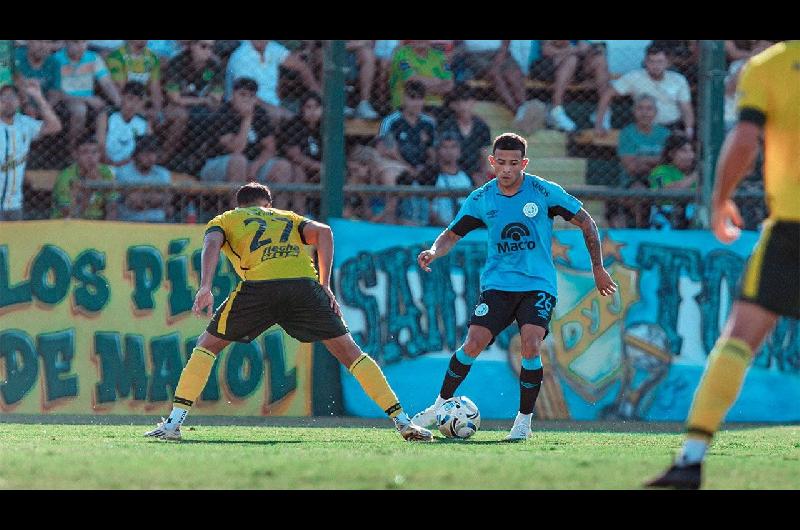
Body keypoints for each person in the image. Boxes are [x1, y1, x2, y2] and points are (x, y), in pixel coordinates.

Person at [144, 182, 433, 442]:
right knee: (351, 353)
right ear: (267, 204)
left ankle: (173, 424)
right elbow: (324, 233)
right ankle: (403, 422)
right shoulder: (287, 217)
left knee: (206, 347)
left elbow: (211, 243)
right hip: (303, 287)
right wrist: (324, 285)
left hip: (259, 287)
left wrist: (205, 285)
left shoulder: (227, 219)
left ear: (238, 205)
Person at [645, 41, 800, 490]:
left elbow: (746, 139)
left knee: (739, 339)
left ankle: (691, 460)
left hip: (793, 226)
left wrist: (719, 199)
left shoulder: (768, 67)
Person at [411, 133, 618, 440]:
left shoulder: (544, 192)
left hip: (538, 285)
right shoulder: (482, 198)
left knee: (531, 344)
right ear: (492, 162)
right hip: (498, 284)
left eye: (513, 164)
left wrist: (598, 268)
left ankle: (523, 422)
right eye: (501, 163)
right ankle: (438, 406)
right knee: (473, 343)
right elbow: (452, 234)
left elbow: (587, 221)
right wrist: (434, 250)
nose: (506, 170)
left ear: (524, 163)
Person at [594, 44, 694, 138]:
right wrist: (599, 124)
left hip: (672, 126)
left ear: (667, 63)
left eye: (660, 62)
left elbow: (686, 108)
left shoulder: (678, 80)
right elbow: (607, 95)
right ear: (645, 62)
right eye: (651, 61)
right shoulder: (634, 77)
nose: (655, 66)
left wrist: (689, 129)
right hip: (644, 127)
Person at [0, 82, 61, 221]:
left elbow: (55, 126)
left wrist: (39, 98)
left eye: (12, 97)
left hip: (15, 204)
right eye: (3, 98)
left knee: (14, 242)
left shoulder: (24, 123)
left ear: (20, 102)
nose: (8, 102)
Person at [51, 40, 121, 154]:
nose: (80, 46)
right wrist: (86, 99)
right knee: (80, 109)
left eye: (83, 42)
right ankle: (73, 151)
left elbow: (107, 83)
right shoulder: (56, 60)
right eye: (75, 42)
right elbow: (56, 93)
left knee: (103, 111)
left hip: (87, 100)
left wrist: (120, 102)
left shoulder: (93, 58)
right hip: (64, 99)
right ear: (66, 43)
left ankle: (99, 152)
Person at [225, 40, 321, 122]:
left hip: (274, 107)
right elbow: (246, 97)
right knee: (293, 122)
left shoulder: (272, 47)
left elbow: (302, 67)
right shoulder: (241, 56)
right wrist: (279, 112)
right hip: (249, 110)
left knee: (311, 114)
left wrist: (319, 96)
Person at [530, 40, 611, 132]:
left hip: (571, 67)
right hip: (543, 66)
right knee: (571, 59)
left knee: (600, 59)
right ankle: (556, 111)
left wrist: (589, 50)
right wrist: (573, 50)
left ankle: (603, 112)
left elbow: (585, 47)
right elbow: (546, 50)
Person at [617, 94, 671, 227]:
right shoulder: (627, 133)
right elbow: (631, 167)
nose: (645, 113)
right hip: (634, 180)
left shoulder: (665, 134)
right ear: (634, 111)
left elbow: (670, 162)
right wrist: (657, 161)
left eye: (649, 109)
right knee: (638, 191)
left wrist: (641, 160)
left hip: (661, 178)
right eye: (640, 108)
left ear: (655, 112)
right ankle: (641, 229)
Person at [51, 134, 118, 220]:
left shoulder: (105, 171)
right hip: (67, 224)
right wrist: (89, 189)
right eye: (85, 152)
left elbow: (112, 206)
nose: (90, 157)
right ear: (75, 155)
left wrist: (109, 230)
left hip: (97, 223)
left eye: (94, 152)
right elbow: (69, 213)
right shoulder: (66, 176)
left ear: (100, 154)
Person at [436, 83, 492, 182]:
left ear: (473, 101)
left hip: (474, 171)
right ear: (452, 105)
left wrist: (482, 175)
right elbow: (441, 154)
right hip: (451, 170)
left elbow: (483, 155)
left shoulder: (481, 126)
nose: (462, 105)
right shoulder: (447, 125)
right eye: (458, 101)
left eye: (466, 100)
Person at [115, 135, 172, 223]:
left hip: (159, 222)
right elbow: (134, 202)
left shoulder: (163, 173)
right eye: (145, 153)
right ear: (136, 154)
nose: (150, 157)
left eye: (153, 153)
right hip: (132, 221)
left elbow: (167, 200)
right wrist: (156, 199)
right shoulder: (123, 172)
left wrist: (143, 196)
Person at [647, 131, 698, 230]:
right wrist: (695, 176)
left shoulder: (692, 173)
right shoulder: (660, 171)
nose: (690, 155)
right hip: (666, 221)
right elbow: (668, 192)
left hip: (692, 219)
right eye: (684, 151)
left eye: (691, 151)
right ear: (671, 154)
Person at [95, 81, 150, 167]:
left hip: (131, 167)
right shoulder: (107, 115)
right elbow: (100, 144)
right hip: (105, 163)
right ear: (122, 97)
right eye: (130, 98)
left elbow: (147, 149)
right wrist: (110, 163)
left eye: (138, 101)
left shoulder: (144, 122)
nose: (133, 105)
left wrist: (127, 164)